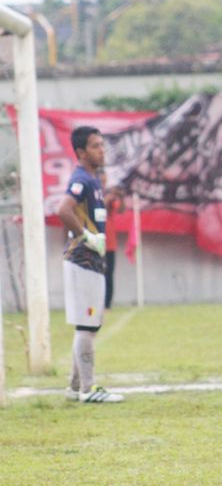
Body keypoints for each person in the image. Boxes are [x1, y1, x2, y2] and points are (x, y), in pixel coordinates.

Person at [56, 126, 124, 403]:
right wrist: (86, 237)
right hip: (82, 260)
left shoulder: (95, 180)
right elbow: (63, 209)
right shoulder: (81, 179)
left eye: (102, 145)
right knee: (87, 325)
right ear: (82, 152)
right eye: (96, 146)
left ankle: (75, 387)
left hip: (92, 261)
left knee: (90, 323)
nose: (102, 150)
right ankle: (87, 389)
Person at [100, 170, 124, 310]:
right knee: (97, 275)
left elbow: (120, 209)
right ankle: (96, 303)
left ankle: (107, 305)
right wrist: (106, 199)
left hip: (110, 243)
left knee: (109, 275)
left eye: (105, 181)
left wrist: (120, 196)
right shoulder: (93, 194)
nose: (103, 184)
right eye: (101, 181)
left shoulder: (110, 197)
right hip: (95, 242)